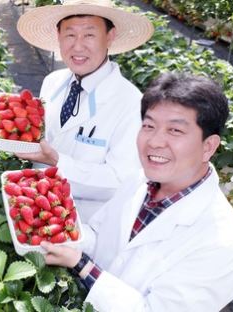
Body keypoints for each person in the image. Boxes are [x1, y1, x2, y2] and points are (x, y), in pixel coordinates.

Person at [41, 72, 233, 311]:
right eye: (149, 126)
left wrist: (81, 265)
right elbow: (100, 236)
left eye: (175, 131)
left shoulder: (221, 243)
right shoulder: (140, 182)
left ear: (208, 147)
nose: (155, 141)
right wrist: (59, 228)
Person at [15, 0, 154, 221]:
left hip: (86, 226)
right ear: (58, 35)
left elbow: (121, 181)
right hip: (32, 210)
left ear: (110, 36)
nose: (78, 46)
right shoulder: (52, 82)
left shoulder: (130, 104)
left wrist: (58, 161)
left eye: (89, 35)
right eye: (70, 34)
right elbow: (43, 139)